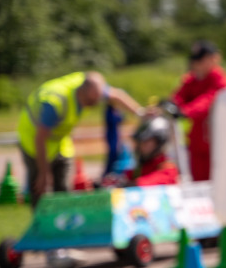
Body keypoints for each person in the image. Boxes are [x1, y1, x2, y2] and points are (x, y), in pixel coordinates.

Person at [17, 71, 145, 208]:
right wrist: (44, 173)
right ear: (82, 93)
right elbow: (40, 138)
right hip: (33, 140)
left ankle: (64, 223)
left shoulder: (91, 86)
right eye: (92, 101)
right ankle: (40, 225)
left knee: (63, 188)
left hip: (60, 140)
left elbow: (117, 95)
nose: (95, 103)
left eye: (98, 98)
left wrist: (140, 113)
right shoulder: (55, 103)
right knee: (40, 187)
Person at [169, 40, 226, 182]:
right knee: (198, 182)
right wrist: (170, 104)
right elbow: (179, 95)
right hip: (197, 141)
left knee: (217, 182)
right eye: (195, 61)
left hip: (216, 141)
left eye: (201, 60)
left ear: (214, 58)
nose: (196, 65)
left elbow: (209, 100)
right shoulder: (192, 79)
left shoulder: (220, 79)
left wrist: (184, 111)